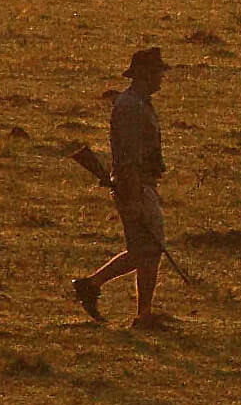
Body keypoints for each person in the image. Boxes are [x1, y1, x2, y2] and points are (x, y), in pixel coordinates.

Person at [72, 46, 171, 328]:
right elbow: (128, 156)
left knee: (145, 248)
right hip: (136, 184)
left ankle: (94, 286)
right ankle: (143, 314)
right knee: (150, 247)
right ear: (143, 74)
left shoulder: (139, 103)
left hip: (142, 183)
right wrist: (134, 191)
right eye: (157, 72)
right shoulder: (130, 106)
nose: (161, 78)